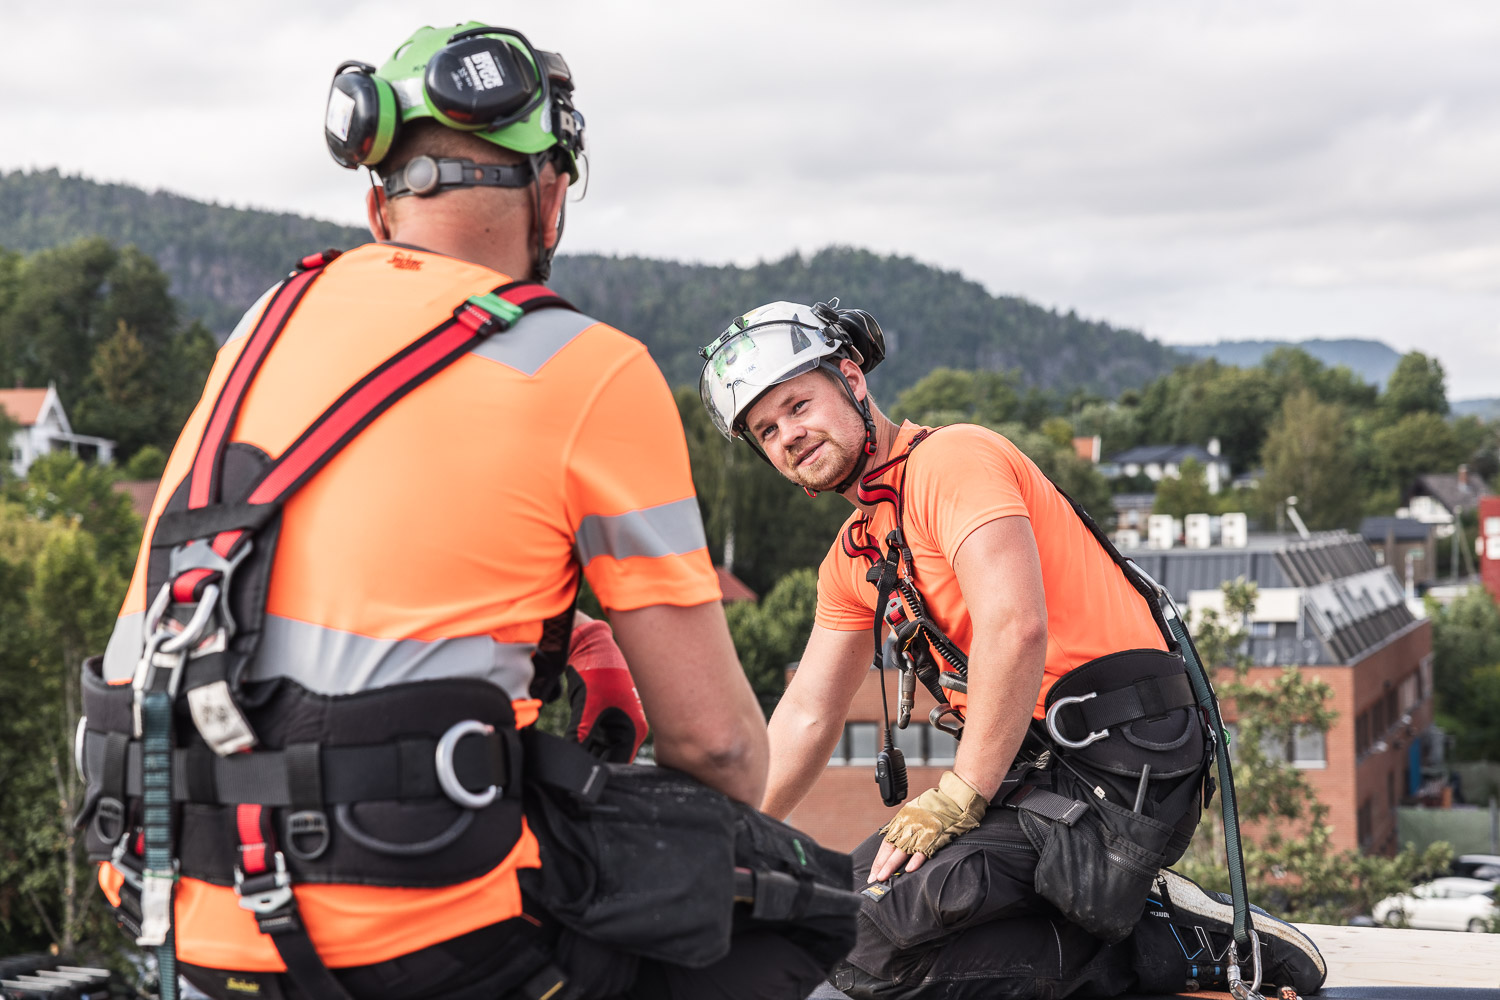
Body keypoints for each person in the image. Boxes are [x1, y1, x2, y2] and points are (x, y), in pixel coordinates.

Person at [77, 25, 831, 1000]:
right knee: (801, 925)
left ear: (378, 207)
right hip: (404, 935)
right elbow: (718, 747)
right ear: (551, 195)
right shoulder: (588, 365)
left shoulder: (262, 322)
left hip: (166, 899)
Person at [698, 301, 1328, 998]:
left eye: (798, 405)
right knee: (830, 919)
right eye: (767, 430)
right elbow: (809, 716)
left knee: (866, 933)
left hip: (1124, 761)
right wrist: (725, 836)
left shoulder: (951, 461)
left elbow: (1014, 625)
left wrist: (960, 794)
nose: (789, 434)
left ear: (852, 378)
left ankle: (1170, 941)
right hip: (1027, 777)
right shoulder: (857, 553)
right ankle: (1108, 922)